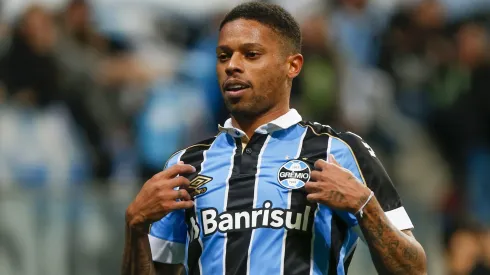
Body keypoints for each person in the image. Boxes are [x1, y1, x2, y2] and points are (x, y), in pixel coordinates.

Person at [122, 2, 427, 275]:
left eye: (251, 54)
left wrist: (365, 205)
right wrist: (136, 226)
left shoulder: (340, 150)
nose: (232, 65)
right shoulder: (186, 165)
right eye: (223, 55)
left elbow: (414, 270)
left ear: (292, 65)